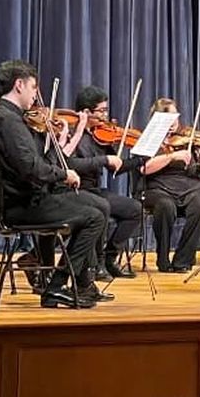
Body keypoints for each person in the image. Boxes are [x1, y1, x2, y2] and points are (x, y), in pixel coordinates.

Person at [0, 60, 109, 308]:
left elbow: (35, 162)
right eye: (33, 87)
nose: (35, 95)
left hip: (24, 198)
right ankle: (56, 287)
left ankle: (83, 284)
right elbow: (31, 170)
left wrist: (56, 144)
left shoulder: (9, 118)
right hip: (21, 204)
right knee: (94, 217)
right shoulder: (7, 121)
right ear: (19, 85)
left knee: (99, 205)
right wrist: (64, 175)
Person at [61, 85, 143, 279]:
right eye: (102, 111)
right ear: (86, 111)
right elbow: (69, 164)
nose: (106, 116)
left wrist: (141, 159)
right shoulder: (72, 134)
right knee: (101, 207)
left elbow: (117, 167)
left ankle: (109, 258)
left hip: (95, 190)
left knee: (135, 209)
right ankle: (95, 265)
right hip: (76, 191)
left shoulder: (99, 136)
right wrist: (104, 160)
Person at [133, 98, 200, 273]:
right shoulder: (148, 140)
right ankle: (162, 257)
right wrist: (171, 157)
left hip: (189, 189)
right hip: (157, 189)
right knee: (166, 206)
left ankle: (182, 260)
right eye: (167, 118)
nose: (172, 123)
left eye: (174, 117)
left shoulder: (187, 139)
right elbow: (144, 168)